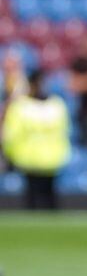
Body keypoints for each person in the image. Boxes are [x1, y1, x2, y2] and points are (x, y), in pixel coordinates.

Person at [2, 68, 70, 210]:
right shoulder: (23, 106)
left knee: (47, 198)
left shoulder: (56, 105)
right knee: (35, 198)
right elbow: (11, 134)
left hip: (49, 160)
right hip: (31, 160)